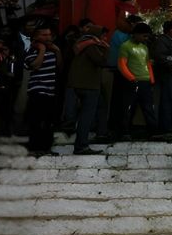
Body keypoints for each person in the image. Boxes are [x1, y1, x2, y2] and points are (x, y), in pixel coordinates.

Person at [66, 23, 109, 155]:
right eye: (103, 35)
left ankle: (81, 144)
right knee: (87, 116)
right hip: (89, 85)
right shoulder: (92, 46)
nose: (105, 38)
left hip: (78, 84)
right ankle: (81, 146)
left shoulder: (82, 43)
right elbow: (101, 61)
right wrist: (106, 48)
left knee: (85, 114)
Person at [114, 23, 157, 140]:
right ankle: (125, 132)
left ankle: (153, 132)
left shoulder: (144, 47)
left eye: (147, 36)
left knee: (148, 108)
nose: (146, 38)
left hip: (145, 81)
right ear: (136, 34)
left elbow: (148, 64)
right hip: (133, 82)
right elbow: (121, 65)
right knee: (129, 108)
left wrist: (152, 79)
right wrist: (131, 78)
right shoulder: (125, 46)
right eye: (144, 36)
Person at [23, 25, 62, 155]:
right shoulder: (32, 50)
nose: (47, 37)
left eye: (49, 34)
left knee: (48, 121)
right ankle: (34, 148)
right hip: (37, 90)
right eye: (44, 35)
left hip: (51, 91)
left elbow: (59, 67)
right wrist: (42, 50)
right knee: (36, 121)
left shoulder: (52, 50)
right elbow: (35, 66)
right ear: (36, 37)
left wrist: (57, 51)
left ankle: (46, 147)